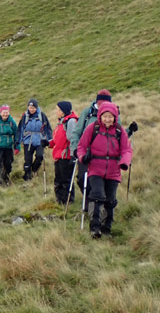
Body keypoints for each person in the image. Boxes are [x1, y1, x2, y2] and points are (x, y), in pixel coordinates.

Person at [76, 102, 132, 239]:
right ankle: (95, 227)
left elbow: (126, 150)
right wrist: (83, 157)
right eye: (105, 116)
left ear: (115, 117)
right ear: (100, 116)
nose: (108, 119)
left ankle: (107, 227)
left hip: (113, 171)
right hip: (95, 169)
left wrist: (125, 162)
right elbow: (81, 146)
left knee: (110, 199)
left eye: (110, 116)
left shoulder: (119, 131)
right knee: (97, 196)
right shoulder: (92, 128)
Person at [70, 89, 138, 201]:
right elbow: (77, 132)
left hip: (106, 157)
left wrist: (130, 131)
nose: (102, 105)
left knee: (100, 184)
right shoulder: (87, 113)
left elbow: (119, 136)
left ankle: (97, 204)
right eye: (100, 103)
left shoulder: (114, 115)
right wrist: (75, 150)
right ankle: (90, 202)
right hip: (86, 154)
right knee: (82, 179)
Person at [49, 101, 78, 205]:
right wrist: (49, 143)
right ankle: (60, 201)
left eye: (58, 109)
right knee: (59, 179)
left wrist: (73, 155)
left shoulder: (70, 122)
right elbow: (57, 139)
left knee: (66, 180)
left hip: (66, 156)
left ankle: (68, 201)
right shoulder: (62, 122)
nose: (56, 111)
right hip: (59, 155)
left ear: (63, 111)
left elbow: (73, 139)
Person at [17, 99, 53, 181]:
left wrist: (49, 140)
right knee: (27, 160)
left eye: (33, 108)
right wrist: (18, 141)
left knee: (40, 156)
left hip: (40, 139)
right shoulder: (25, 116)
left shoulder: (42, 115)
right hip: (28, 140)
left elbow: (48, 128)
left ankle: (34, 169)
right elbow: (20, 129)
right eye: (30, 107)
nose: (31, 109)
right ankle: (27, 177)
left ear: (36, 107)